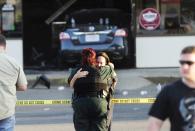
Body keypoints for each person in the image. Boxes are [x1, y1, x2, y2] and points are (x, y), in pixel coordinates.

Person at [147, 45, 195, 131]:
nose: (184, 67)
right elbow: (154, 123)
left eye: (189, 63)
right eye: (182, 63)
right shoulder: (169, 91)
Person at [68, 48, 116, 131]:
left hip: (80, 104)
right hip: (99, 103)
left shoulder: (76, 71)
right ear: (94, 59)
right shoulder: (103, 70)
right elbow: (111, 67)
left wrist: (76, 76)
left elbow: (71, 85)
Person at [0, 34, 28, 131]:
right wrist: (9, 85)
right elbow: (23, 87)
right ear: (5, 45)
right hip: (6, 111)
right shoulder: (14, 62)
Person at [96, 52, 117, 131]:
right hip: (95, 105)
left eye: (101, 63)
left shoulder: (109, 70)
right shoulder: (93, 72)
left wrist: (111, 89)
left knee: (106, 126)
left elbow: (115, 80)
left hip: (107, 103)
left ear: (106, 63)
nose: (99, 65)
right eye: (97, 62)